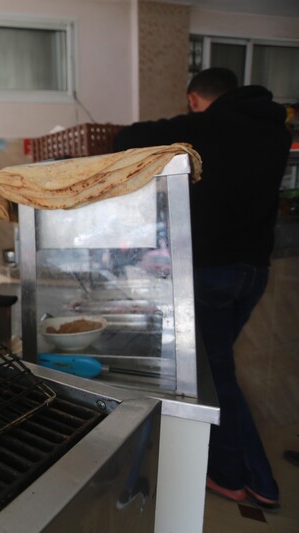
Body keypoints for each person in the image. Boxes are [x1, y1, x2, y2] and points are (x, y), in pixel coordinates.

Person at [113, 67, 291, 509]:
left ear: (194, 98)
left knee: (216, 379)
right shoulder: (276, 131)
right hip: (253, 272)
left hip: (212, 273)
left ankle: (243, 478)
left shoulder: (207, 125)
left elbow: (126, 138)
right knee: (217, 374)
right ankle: (243, 472)